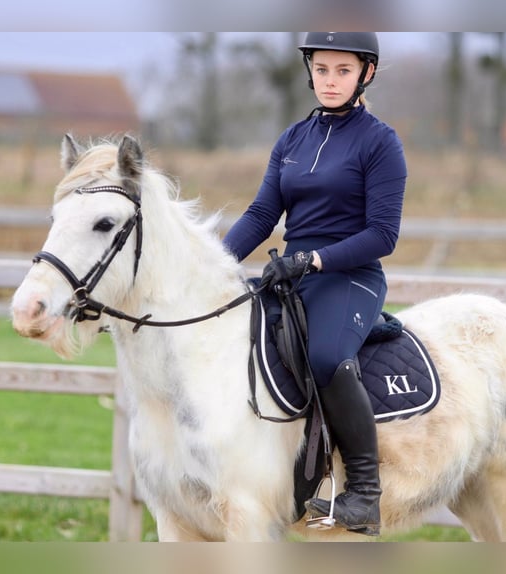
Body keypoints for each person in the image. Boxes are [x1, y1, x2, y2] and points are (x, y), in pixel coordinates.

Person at [222, 32, 407, 536]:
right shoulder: (292, 139)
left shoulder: (379, 142)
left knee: (326, 356)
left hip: (351, 276)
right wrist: (214, 264)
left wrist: (314, 260)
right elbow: (263, 212)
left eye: (342, 71)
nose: (330, 80)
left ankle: (364, 492)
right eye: (322, 69)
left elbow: (383, 234)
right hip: (293, 274)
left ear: (365, 73)